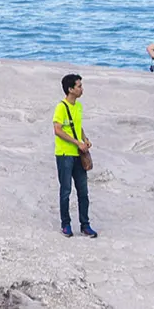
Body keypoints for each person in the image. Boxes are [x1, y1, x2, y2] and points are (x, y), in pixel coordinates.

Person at [53, 73, 96, 238]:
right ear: (70, 89)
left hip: (78, 155)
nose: (81, 89)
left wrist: (85, 139)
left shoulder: (78, 106)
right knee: (66, 191)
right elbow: (57, 130)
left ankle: (85, 224)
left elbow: (77, 126)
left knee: (83, 192)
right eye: (78, 86)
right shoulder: (61, 107)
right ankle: (66, 224)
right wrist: (76, 142)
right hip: (64, 154)